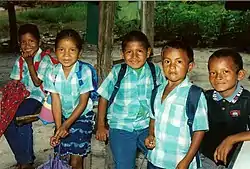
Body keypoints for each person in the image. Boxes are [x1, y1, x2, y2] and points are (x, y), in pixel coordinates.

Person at [96, 30, 165, 169]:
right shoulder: (118, 72)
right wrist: (101, 125)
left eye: (139, 51)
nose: (134, 56)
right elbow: (103, 97)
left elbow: (162, 96)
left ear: (148, 52)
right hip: (121, 127)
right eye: (129, 52)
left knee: (159, 159)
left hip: (147, 126)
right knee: (124, 165)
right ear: (122, 54)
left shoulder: (154, 70)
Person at [145, 40, 209, 169]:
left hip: (180, 162)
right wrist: (151, 134)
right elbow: (153, 118)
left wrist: (186, 160)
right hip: (155, 159)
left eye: (179, 62)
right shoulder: (156, 92)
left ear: (190, 66)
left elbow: (199, 131)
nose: (172, 66)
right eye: (167, 61)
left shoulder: (194, 95)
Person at [4, 23, 54, 169]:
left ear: (39, 42)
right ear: (20, 43)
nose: (27, 45)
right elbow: (14, 81)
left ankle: (25, 162)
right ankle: (23, 158)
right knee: (6, 119)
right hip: (21, 97)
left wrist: (30, 63)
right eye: (24, 42)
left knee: (20, 117)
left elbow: (38, 83)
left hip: (38, 97)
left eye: (31, 41)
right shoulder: (19, 60)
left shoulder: (45, 59)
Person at [44, 29, 94, 169]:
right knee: (62, 155)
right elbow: (56, 101)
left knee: (76, 160)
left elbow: (83, 103)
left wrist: (66, 125)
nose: (66, 55)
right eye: (61, 49)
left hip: (82, 115)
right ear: (55, 51)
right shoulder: (52, 73)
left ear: (80, 52)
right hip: (63, 116)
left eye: (72, 50)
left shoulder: (84, 71)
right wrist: (59, 128)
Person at [200, 49, 250, 169]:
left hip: (236, 160)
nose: (218, 77)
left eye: (225, 71)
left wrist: (231, 139)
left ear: (240, 75)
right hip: (206, 158)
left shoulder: (247, 100)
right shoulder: (205, 98)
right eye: (213, 73)